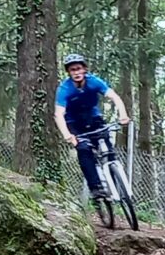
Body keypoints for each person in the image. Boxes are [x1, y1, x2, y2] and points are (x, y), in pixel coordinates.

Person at [55, 54, 129, 199]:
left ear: (84, 69)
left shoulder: (94, 81)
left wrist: (123, 115)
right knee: (84, 150)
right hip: (74, 122)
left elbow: (114, 97)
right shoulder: (64, 88)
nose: (76, 72)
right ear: (68, 72)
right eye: (72, 70)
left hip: (93, 118)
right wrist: (67, 135)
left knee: (107, 146)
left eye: (78, 68)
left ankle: (115, 182)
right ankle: (96, 188)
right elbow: (58, 114)